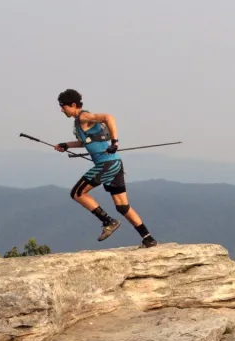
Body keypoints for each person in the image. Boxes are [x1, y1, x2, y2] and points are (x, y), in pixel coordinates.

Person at [54, 89, 157, 247]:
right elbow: (85, 142)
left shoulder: (83, 116)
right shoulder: (79, 122)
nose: (61, 110)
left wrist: (115, 142)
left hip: (107, 164)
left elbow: (108, 117)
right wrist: (66, 145)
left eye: (63, 106)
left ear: (73, 105)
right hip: (115, 163)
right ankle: (148, 238)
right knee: (122, 206)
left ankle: (108, 221)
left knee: (77, 193)